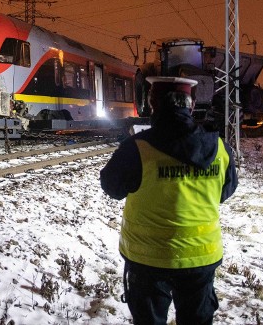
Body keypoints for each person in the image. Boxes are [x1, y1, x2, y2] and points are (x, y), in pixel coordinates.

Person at [100, 76, 238, 325]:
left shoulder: (136, 148)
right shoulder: (219, 148)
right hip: (201, 258)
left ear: (152, 104)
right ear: (192, 105)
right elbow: (226, 192)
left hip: (148, 261)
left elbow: (112, 187)